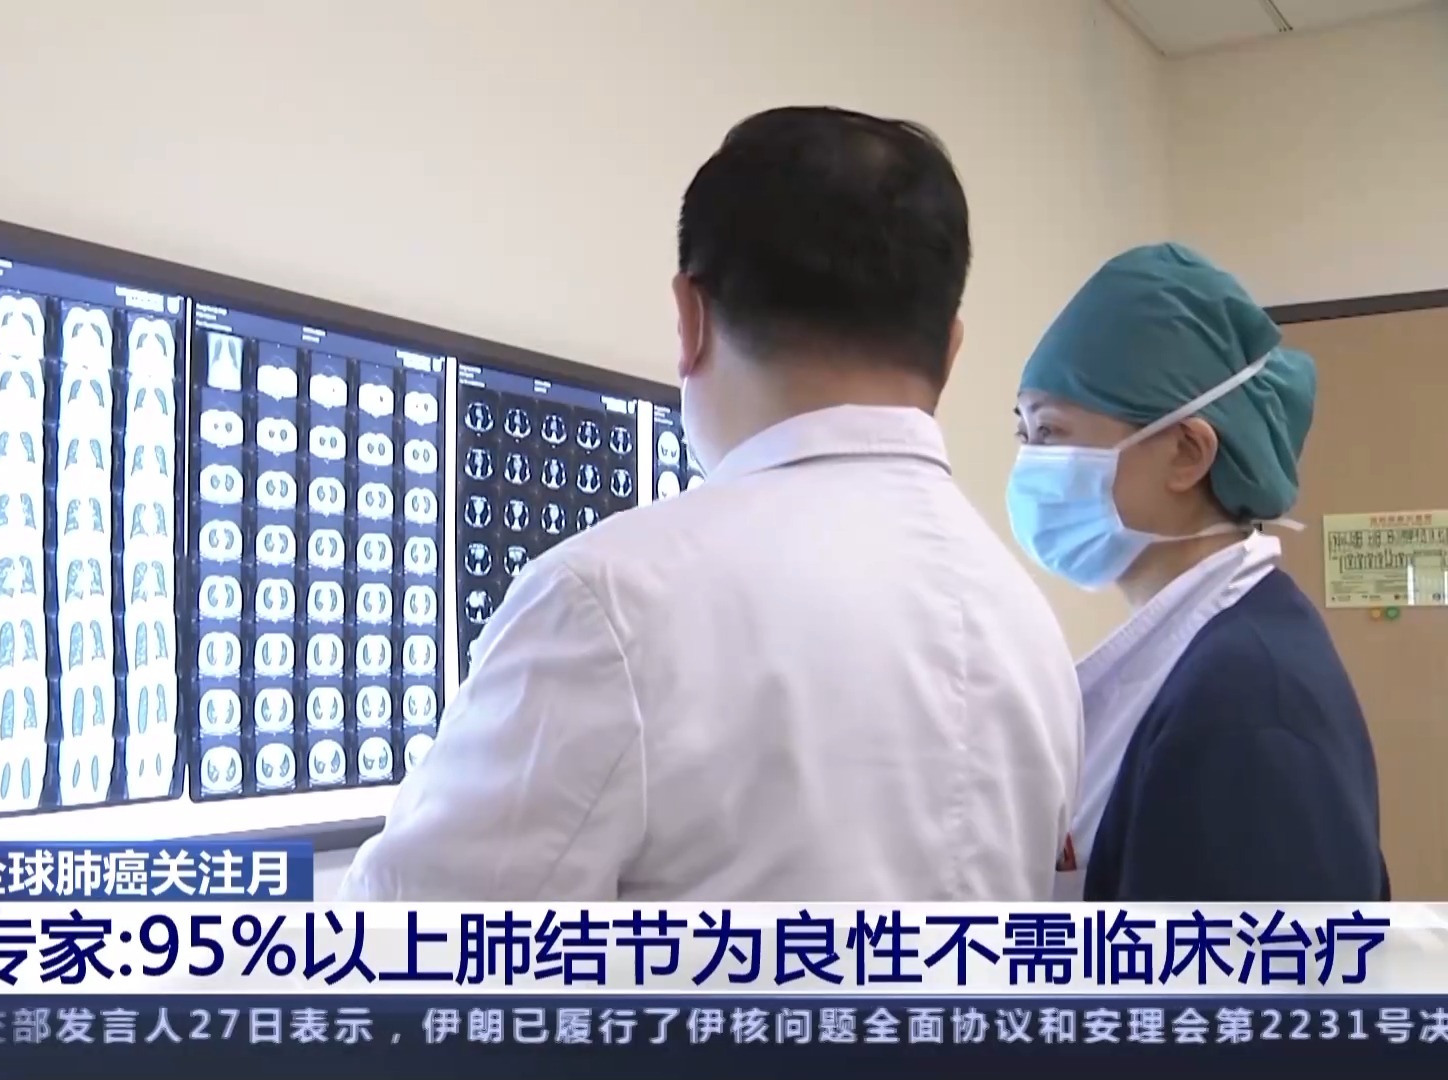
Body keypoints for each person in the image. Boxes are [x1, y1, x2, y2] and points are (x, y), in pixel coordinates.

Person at [339, 106, 1080, 902]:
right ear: (952, 348)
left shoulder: (610, 603)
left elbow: (406, 952)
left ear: (689, 318)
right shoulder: (1030, 628)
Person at [1009, 242, 1388, 901]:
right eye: (1023, 433)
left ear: (1187, 453)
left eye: (1051, 433)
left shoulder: (1252, 700)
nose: (1029, 466)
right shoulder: (1206, 656)